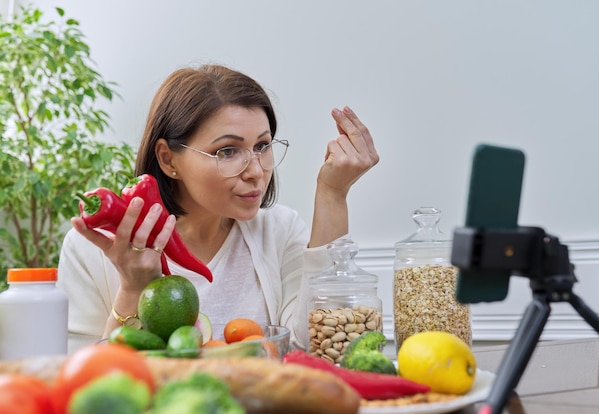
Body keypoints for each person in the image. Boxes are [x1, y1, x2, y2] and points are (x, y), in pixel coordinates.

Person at [57, 64, 379, 353]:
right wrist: (131, 289)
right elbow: (82, 385)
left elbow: (314, 348)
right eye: (227, 151)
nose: (256, 170)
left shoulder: (280, 232)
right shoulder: (93, 250)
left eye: (262, 146)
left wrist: (333, 194)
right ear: (168, 159)